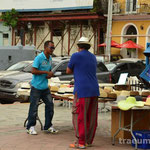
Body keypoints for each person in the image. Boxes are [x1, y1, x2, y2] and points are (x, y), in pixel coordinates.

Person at [66, 37, 100, 149]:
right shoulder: (93, 57)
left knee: (79, 115)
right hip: (94, 89)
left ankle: (80, 142)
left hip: (82, 90)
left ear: (78, 46)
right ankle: (88, 141)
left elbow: (68, 70)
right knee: (91, 116)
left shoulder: (76, 55)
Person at [26, 40, 58, 135]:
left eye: (53, 48)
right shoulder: (39, 58)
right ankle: (30, 127)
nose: (52, 49)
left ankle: (48, 126)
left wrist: (49, 74)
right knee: (34, 107)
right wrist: (45, 73)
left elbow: (48, 70)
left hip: (45, 87)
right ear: (45, 48)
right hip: (36, 87)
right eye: (51, 47)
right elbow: (33, 71)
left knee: (50, 106)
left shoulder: (50, 58)